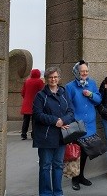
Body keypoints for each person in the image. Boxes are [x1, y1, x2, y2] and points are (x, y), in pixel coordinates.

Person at [32, 67, 75, 196]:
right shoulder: (40, 96)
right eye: (50, 77)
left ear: (59, 78)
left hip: (61, 137)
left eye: (55, 77)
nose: (53, 79)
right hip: (46, 137)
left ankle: (58, 192)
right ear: (46, 79)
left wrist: (63, 120)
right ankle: (45, 193)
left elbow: (71, 112)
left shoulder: (64, 93)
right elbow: (37, 114)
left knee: (57, 165)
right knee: (45, 166)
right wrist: (56, 121)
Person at [65, 60, 102, 191]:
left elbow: (98, 100)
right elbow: (67, 106)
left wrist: (91, 94)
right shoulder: (69, 87)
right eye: (82, 71)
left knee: (86, 152)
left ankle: (81, 176)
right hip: (77, 125)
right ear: (77, 72)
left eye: (86, 71)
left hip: (90, 125)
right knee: (76, 153)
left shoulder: (91, 83)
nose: (85, 73)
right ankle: (75, 179)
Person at [20, 68, 44, 140]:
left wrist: (26, 98)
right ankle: (34, 134)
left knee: (26, 120)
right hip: (36, 103)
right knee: (35, 120)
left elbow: (22, 93)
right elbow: (42, 92)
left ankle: (23, 134)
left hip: (27, 103)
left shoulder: (27, 81)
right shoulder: (40, 82)